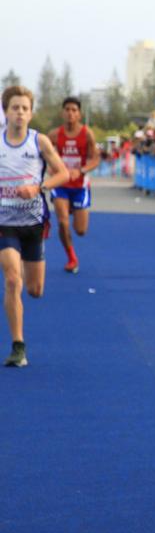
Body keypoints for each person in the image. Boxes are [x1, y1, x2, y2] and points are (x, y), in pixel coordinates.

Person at [0, 86, 69, 367]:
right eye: (14, 107)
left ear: (31, 113)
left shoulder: (39, 142)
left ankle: (35, 274)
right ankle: (18, 346)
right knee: (12, 279)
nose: (19, 113)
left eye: (24, 108)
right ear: (5, 112)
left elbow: (64, 173)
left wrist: (38, 187)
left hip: (34, 222)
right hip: (4, 223)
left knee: (34, 289)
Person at [47, 96, 99, 274]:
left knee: (81, 230)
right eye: (67, 109)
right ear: (63, 112)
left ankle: (71, 208)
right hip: (61, 184)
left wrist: (82, 170)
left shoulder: (87, 133)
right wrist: (50, 169)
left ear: (79, 114)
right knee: (62, 222)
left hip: (80, 186)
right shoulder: (54, 134)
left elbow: (95, 159)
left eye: (74, 110)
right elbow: (43, 153)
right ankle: (71, 258)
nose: (70, 113)